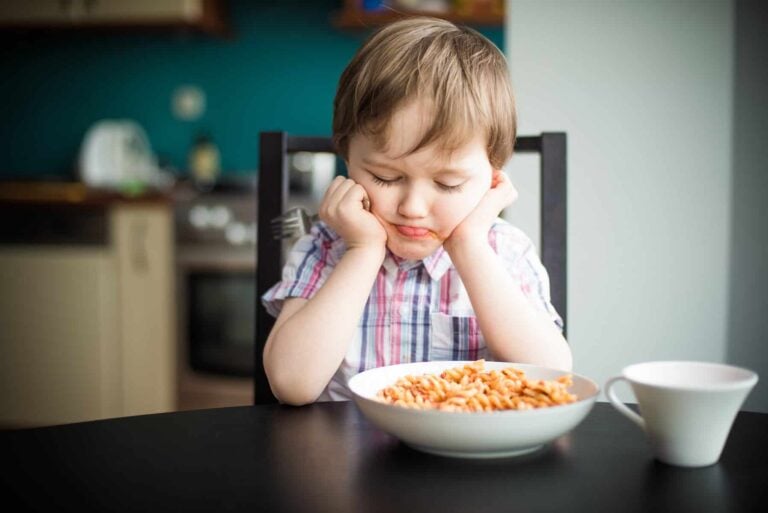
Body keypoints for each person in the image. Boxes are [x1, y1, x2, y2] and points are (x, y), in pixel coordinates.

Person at [262, 17, 572, 405]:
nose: (411, 208)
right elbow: (292, 384)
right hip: (345, 456)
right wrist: (363, 251)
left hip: (468, 456)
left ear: (493, 177)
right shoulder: (326, 246)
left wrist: (469, 246)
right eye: (385, 177)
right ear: (347, 159)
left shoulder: (504, 251)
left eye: (448, 184)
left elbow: (554, 375)